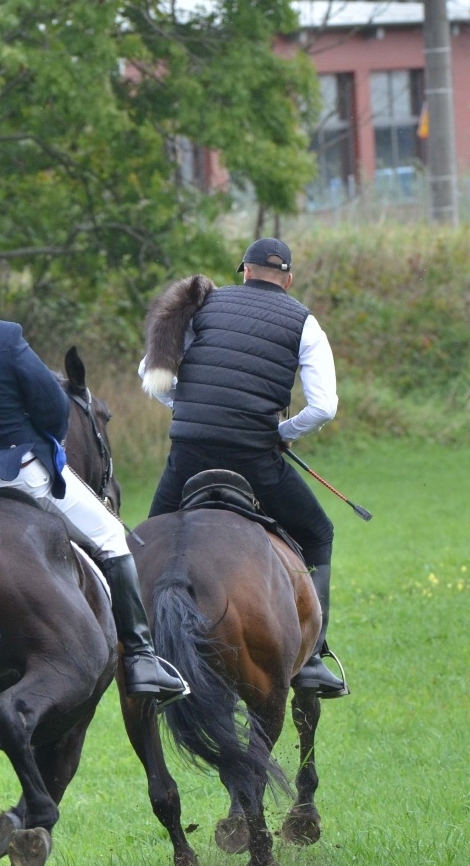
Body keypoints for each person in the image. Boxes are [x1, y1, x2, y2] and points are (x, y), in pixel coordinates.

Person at [0, 250, 188, 704]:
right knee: (110, 537)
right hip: (22, 478)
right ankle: (142, 658)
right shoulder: (5, 339)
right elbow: (52, 405)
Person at [140, 238, 348, 697]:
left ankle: (138, 650)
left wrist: (189, 407)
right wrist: (284, 432)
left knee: (148, 537)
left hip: (189, 452)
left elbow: (152, 379)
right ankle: (314, 657)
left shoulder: (205, 306)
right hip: (254, 456)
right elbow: (325, 407)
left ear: (245, 272)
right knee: (318, 532)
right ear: (288, 280)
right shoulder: (304, 322)